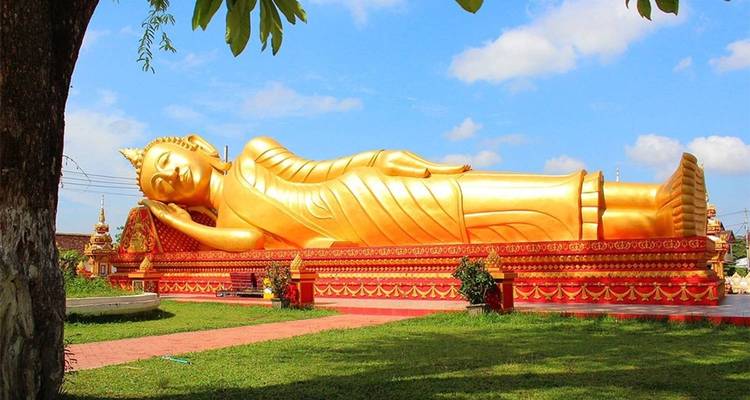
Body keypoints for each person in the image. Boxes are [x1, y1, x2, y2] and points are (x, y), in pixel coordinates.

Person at [121, 134, 706, 251]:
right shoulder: (227, 224)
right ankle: (656, 223)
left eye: (168, 162)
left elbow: (318, 169)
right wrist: (176, 222)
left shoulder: (251, 155)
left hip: (363, 192)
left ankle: (652, 197)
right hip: (358, 234)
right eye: (160, 184)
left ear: (196, 146)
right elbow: (249, 242)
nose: (170, 176)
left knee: (476, 192)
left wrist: (384, 157)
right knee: (490, 223)